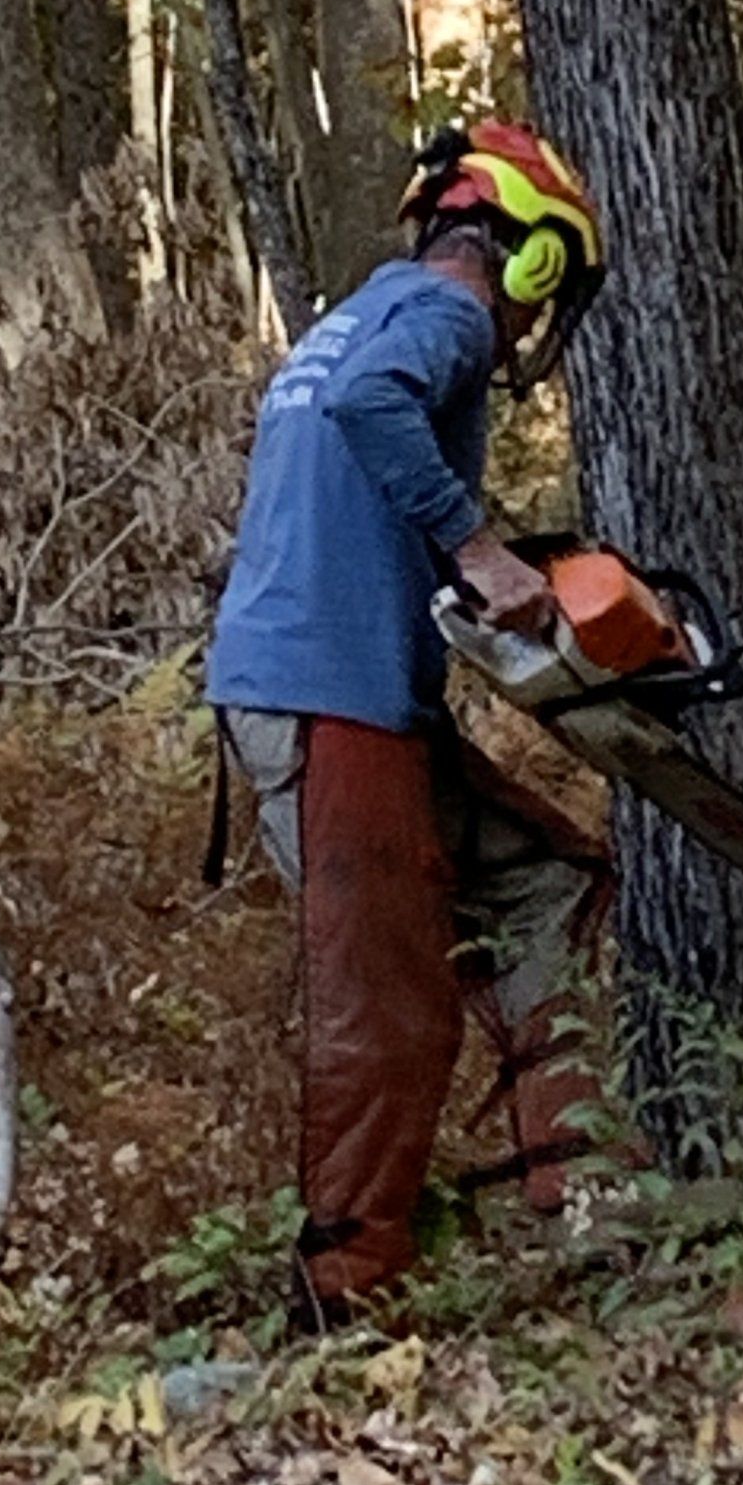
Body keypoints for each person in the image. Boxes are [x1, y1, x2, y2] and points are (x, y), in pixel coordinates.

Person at [207, 118, 612, 1326]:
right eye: (546, 293)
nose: (534, 329)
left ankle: (581, 1194)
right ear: (529, 256)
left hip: (349, 687)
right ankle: (346, 1294)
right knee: (384, 997)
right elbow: (376, 413)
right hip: (331, 701)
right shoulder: (434, 323)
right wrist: (478, 548)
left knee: (554, 884)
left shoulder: (361, 314)